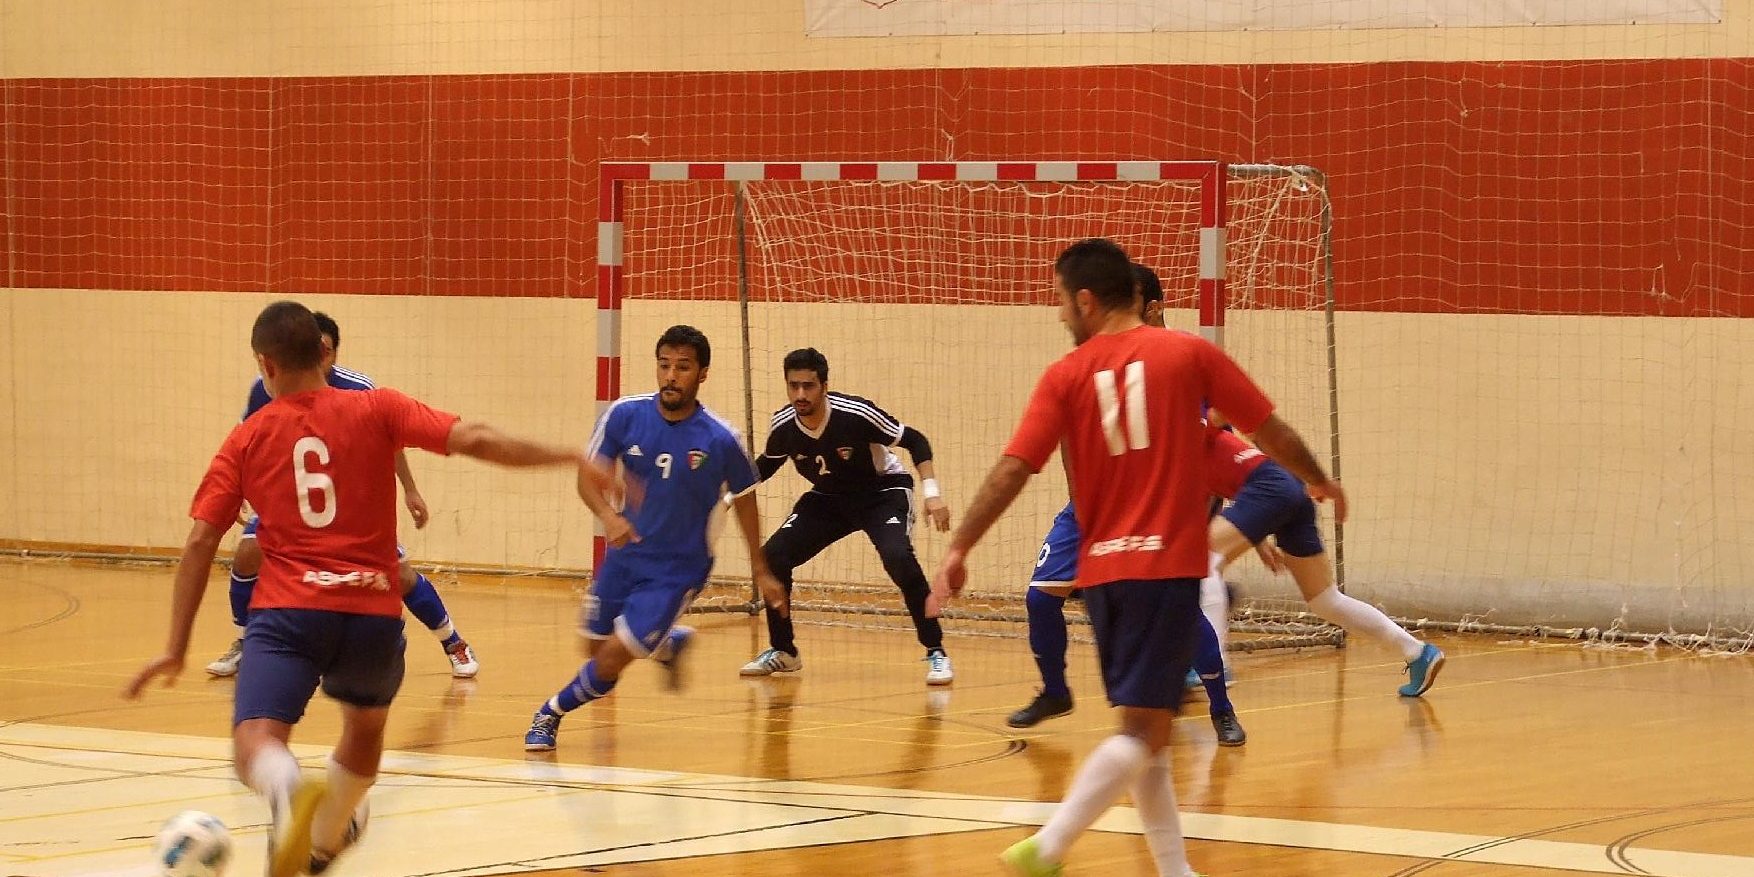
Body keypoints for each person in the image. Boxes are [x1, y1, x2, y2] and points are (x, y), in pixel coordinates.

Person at [125, 301, 595, 877]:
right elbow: (474, 437)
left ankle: (287, 792)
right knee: (365, 728)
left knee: (256, 737)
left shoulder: (246, 438)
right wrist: (568, 453)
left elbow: (201, 542)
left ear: (265, 365)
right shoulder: (378, 408)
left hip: (288, 612)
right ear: (324, 352)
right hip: (371, 612)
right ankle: (325, 841)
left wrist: (175, 646)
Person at [931, 239, 1344, 877]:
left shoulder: (1064, 376)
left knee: (1146, 725)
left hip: (1102, 576)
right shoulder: (1189, 353)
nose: (1062, 316)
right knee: (1143, 734)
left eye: (1062, 303)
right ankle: (1050, 845)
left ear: (1087, 300)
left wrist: (961, 546)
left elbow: (1014, 467)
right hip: (1167, 567)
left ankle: (1175, 871)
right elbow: (1268, 430)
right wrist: (1317, 478)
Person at [1007, 264, 1245, 747]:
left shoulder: (1182, 361)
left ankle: (1221, 707)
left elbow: (1220, 444)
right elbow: (1069, 438)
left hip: (1157, 505)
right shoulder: (1091, 363)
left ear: (1151, 308)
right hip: (1096, 504)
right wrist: (1081, 500)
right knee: (1039, 597)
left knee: (1181, 605)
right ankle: (1055, 691)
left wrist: (1238, 517)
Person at [524, 325, 787, 751]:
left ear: (702, 374)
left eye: (682, 368)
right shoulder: (625, 415)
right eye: (664, 365)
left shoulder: (721, 439)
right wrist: (609, 516)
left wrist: (761, 567)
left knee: (612, 658)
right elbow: (587, 478)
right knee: (592, 647)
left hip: (678, 571)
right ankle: (666, 644)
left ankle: (550, 712)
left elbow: (744, 496)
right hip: (627, 557)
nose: (670, 376)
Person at [206, 311, 481, 680]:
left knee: (397, 575)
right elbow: (247, 439)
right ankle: (244, 641)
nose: (319, 355)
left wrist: (410, 489)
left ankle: (453, 642)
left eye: (326, 349)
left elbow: (393, 442)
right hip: (291, 502)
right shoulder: (266, 387)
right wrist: (238, 487)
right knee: (246, 554)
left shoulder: (358, 389)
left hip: (351, 505)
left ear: (331, 351)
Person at [739, 347, 955, 685]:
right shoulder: (784, 424)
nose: (800, 394)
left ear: (824, 386)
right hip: (828, 498)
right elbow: (767, 464)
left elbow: (915, 440)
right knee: (774, 556)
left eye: (808, 386)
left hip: (882, 492)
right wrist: (724, 493)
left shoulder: (855, 413)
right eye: (793, 386)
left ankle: (935, 650)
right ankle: (784, 651)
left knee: (898, 557)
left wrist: (932, 494)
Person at [1201, 414, 1443, 695]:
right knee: (1324, 599)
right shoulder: (1180, 447)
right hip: (1288, 489)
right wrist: (1258, 538)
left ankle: (1214, 667)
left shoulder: (1185, 425)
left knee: (1203, 564)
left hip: (1270, 489)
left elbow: (1227, 419)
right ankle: (1417, 652)